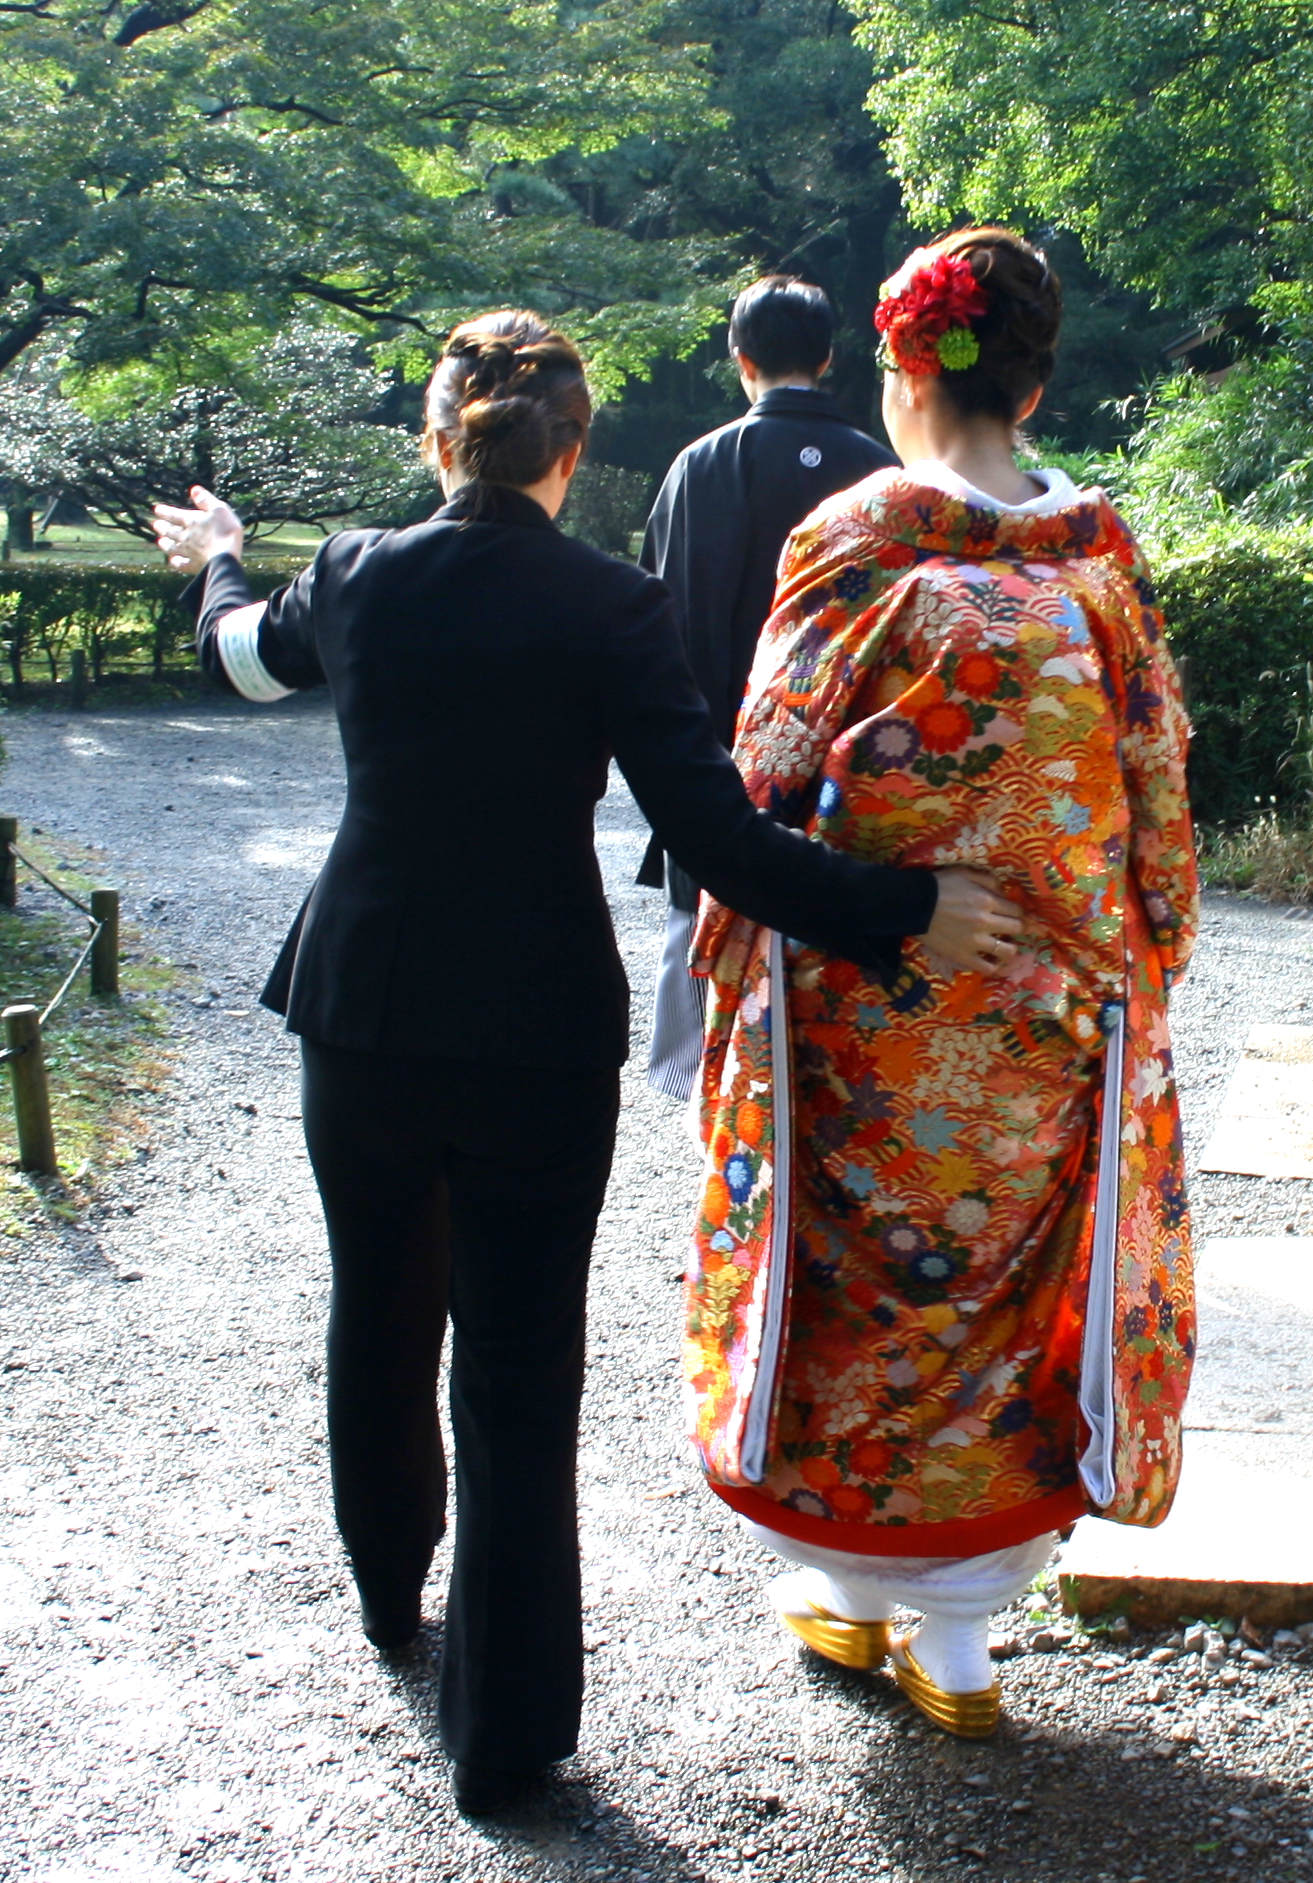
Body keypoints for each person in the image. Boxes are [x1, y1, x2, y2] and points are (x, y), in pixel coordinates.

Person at [150, 311, 1023, 1811]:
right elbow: (721, 843)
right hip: (538, 1023)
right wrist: (906, 906)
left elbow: (237, 657)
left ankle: (384, 1593)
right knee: (517, 1360)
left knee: (377, 1303)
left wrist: (224, 548)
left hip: (360, 1001)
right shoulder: (612, 604)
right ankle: (507, 1731)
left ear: (439, 440)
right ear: (575, 448)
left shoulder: (358, 570)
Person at [683, 230, 1199, 1740]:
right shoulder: (1098, 555)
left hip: (869, 1005)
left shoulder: (858, 542)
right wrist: (1137, 953)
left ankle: (846, 1599)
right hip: (1048, 1017)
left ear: (906, 373)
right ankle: (962, 1645)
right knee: (1001, 1305)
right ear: (1032, 379)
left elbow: (760, 782)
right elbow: (1155, 785)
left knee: (862, 1309)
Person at [637, 276, 898, 1102]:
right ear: (827, 358)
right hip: (846, 784)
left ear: (739, 359)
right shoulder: (879, 473)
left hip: (716, 773)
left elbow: (661, 618)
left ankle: (715, 1115)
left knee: (713, 988)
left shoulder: (696, 467)